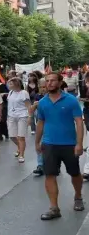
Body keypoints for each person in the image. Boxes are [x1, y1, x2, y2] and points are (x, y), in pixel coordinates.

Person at [35, 72, 85, 220]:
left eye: (52, 81)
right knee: (49, 174)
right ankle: (54, 208)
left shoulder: (71, 100)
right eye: (47, 81)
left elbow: (79, 122)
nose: (49, 83)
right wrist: (37, 142)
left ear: (60, 82)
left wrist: (79, 143)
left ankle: (78, 196)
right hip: (49, 144)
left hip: (69, 144)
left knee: (75, 173)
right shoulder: (43, 102)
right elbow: (40, 123)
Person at [7, 78, 31, 163]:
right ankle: (20, 147)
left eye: (11, 84)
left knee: (21, 136)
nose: (9, 85)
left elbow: (28, 106)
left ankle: (21, 154)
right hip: (11, 116)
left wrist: (29, 117)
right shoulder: (10, 92)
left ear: (16, 84)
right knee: (12, 136)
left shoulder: (24, 93)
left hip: (22, 116)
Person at [31, 79, 47, 176]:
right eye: (41, 87)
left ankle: (54, 164)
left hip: (52, 125)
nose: (43, 89)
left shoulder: (54, 97)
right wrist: (34, 105)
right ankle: (40, 165)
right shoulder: (37, 96)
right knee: (40, 144)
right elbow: (31, 109)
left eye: (44, 87)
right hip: (40, 124)